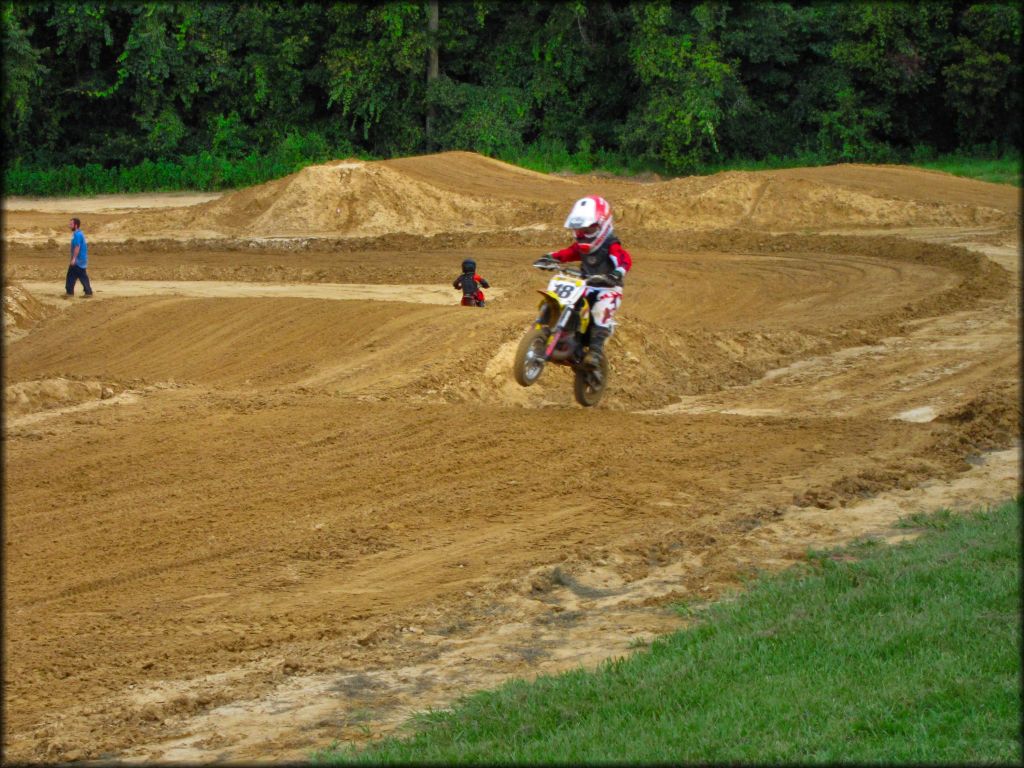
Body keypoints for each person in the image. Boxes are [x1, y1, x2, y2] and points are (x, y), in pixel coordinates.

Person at [539, 195, 632, 366]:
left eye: (588, 230)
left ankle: (595, 352)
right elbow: (567, 253)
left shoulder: (611, 244)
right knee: (567, 302)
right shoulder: (580, 246)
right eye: (580, 230)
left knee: (599, 311)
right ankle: (562, 334)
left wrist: (617, 272)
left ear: (603, 225)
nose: (583, 235)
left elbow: (624, 259)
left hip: (608, 288)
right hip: (586, 285)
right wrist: (550, 257)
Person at [65, 217, 93, 298]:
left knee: (71, 275)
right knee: (82, 275)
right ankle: (88, 292)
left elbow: (77, 247)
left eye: (71, 224)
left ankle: (69, 293)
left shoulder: (77, 235)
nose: (69, 226)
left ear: (76, 225)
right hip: (81, 260)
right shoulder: (78, 234)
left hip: (78, 260)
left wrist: (74, 259)